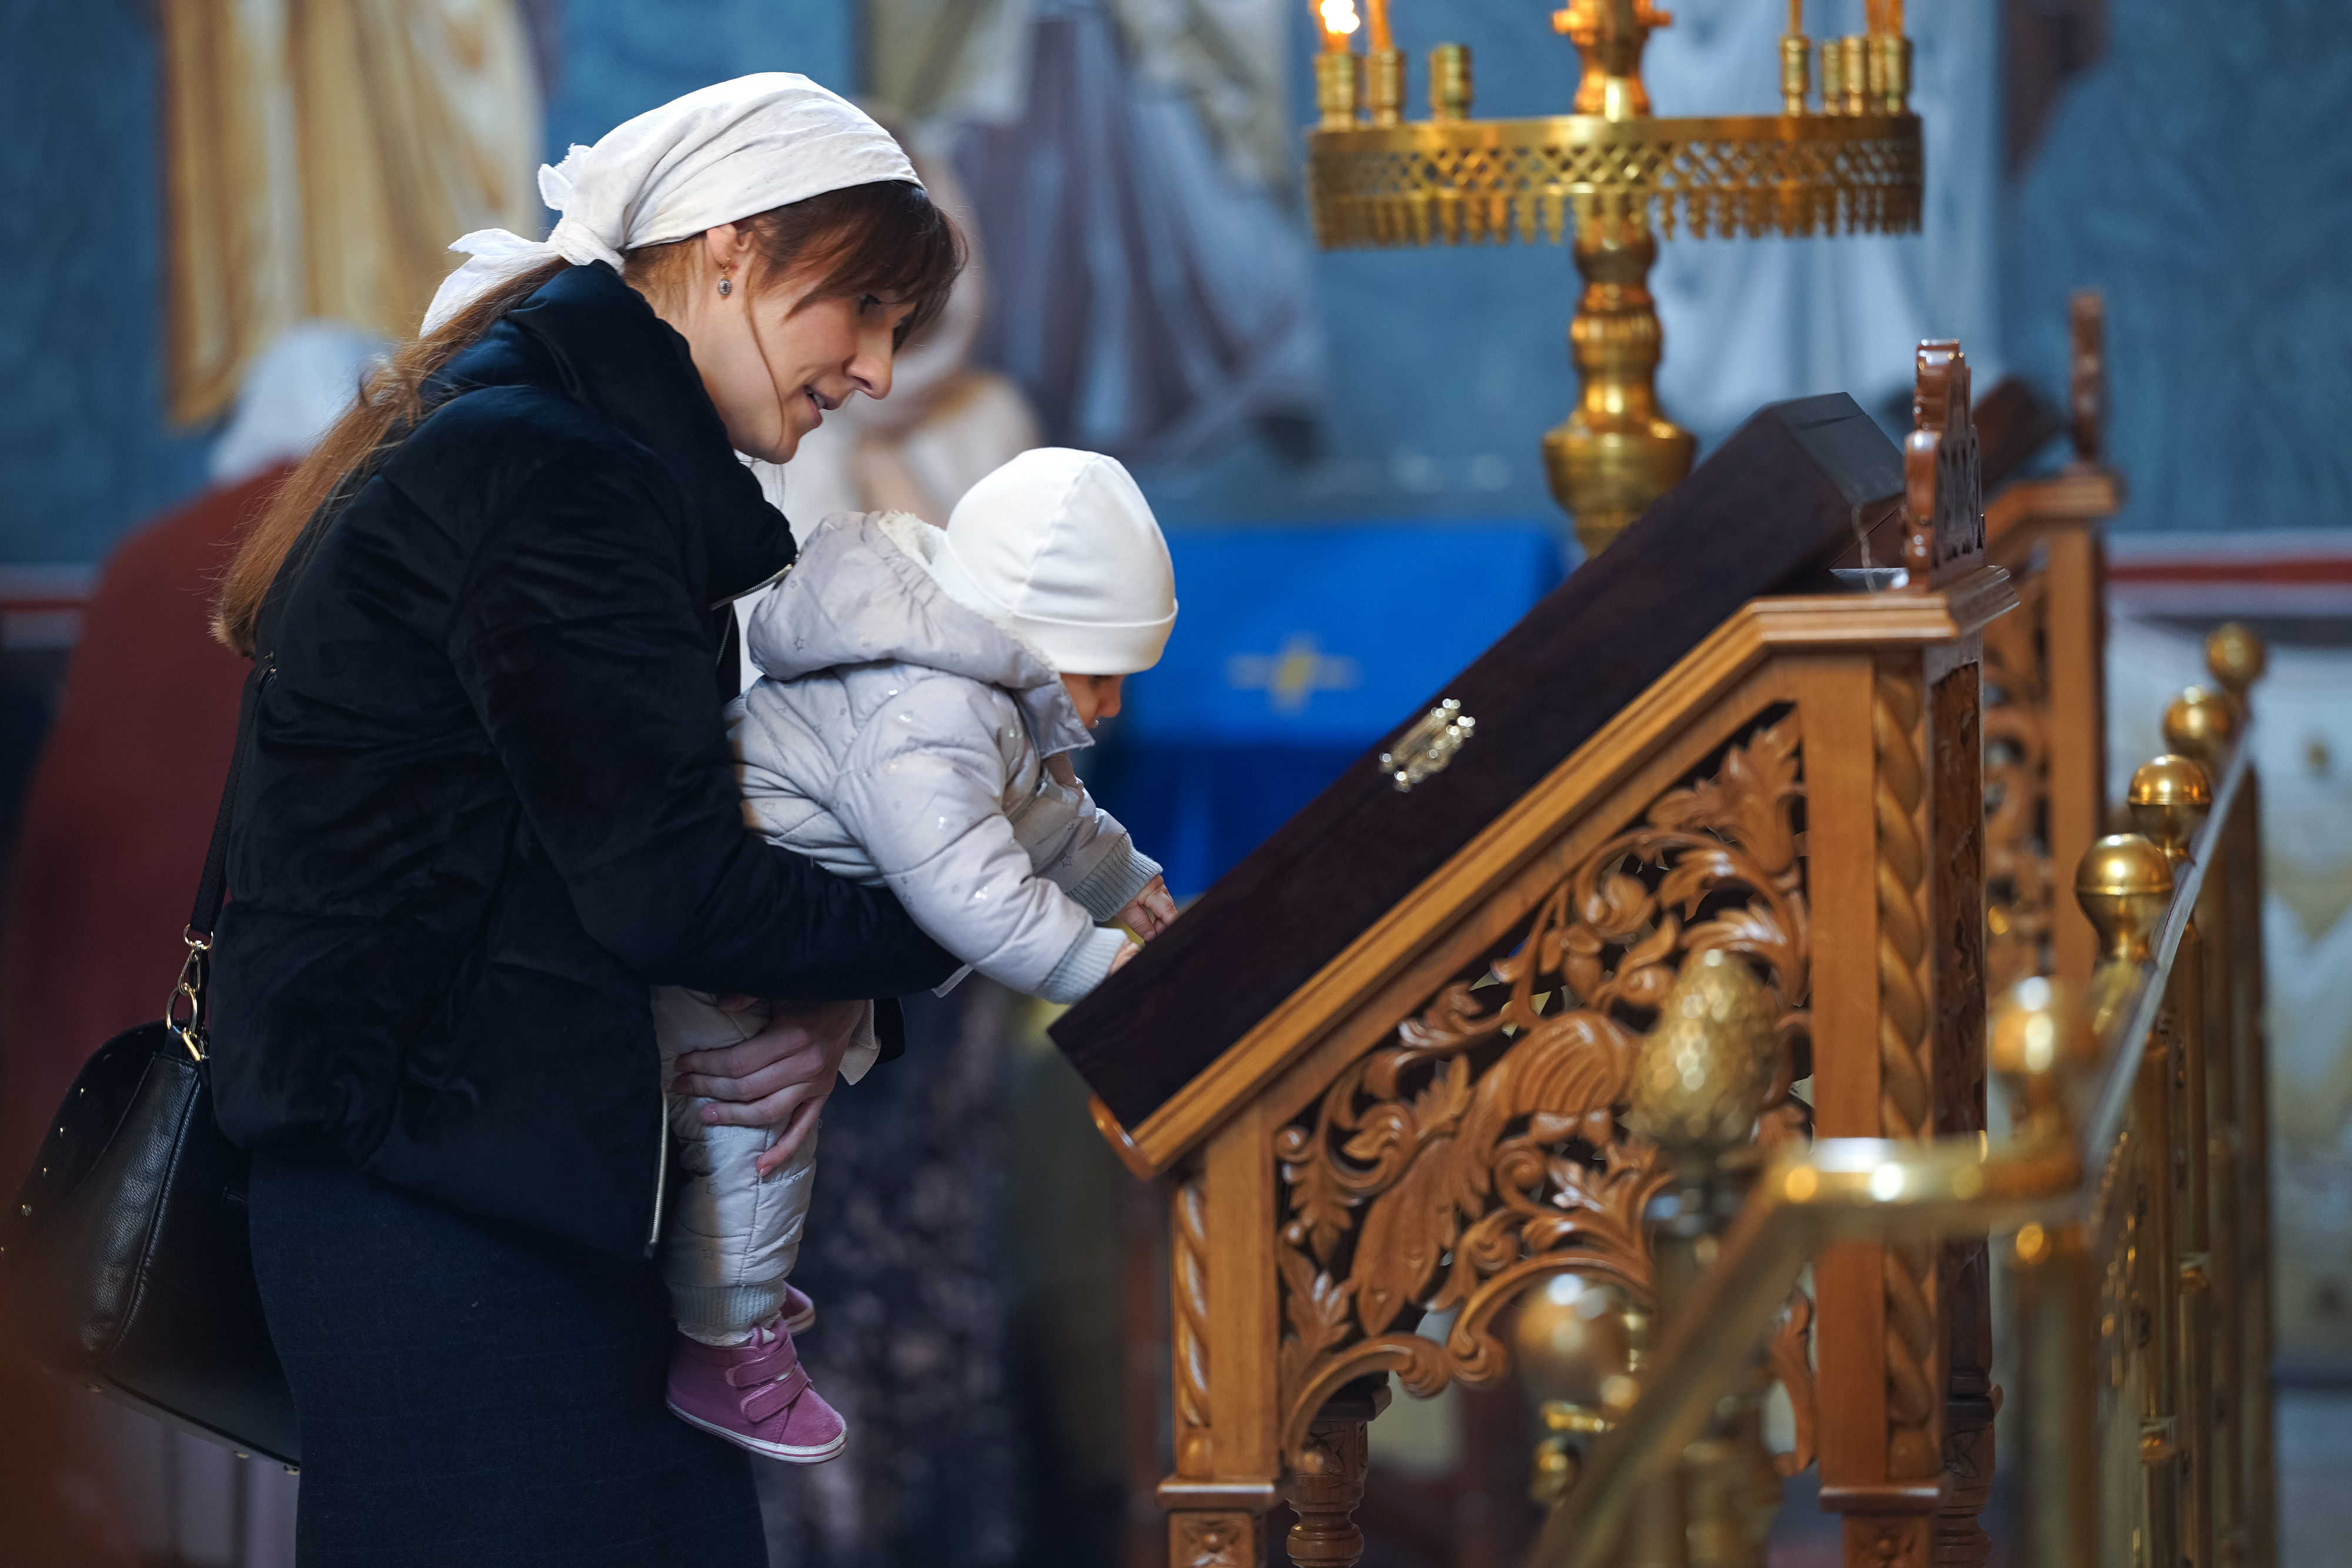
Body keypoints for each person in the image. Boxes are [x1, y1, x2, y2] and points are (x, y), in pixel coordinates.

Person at [202, 76, 967, 1565]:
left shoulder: (547, 434)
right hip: (442, 1213)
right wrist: (954, 915)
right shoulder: (558, 470)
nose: (875, 370)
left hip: (480, 1187)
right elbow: (667, 888)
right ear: (731, 252)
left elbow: (606, 860)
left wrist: (848, 984)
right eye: (858, 310)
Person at [654, 447, 1179, 1462]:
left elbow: (1047, 817)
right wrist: (1097, 965)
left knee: (765, 1143)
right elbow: (971, 891)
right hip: (722, 953)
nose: (1108, 707)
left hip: (794, 937)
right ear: (1034, 634)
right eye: (1101, 674)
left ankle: (726, 1273)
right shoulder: (926, 715)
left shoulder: (978, 695)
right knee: (753, 1133)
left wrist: (1128, 885)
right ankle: (723, 1341)